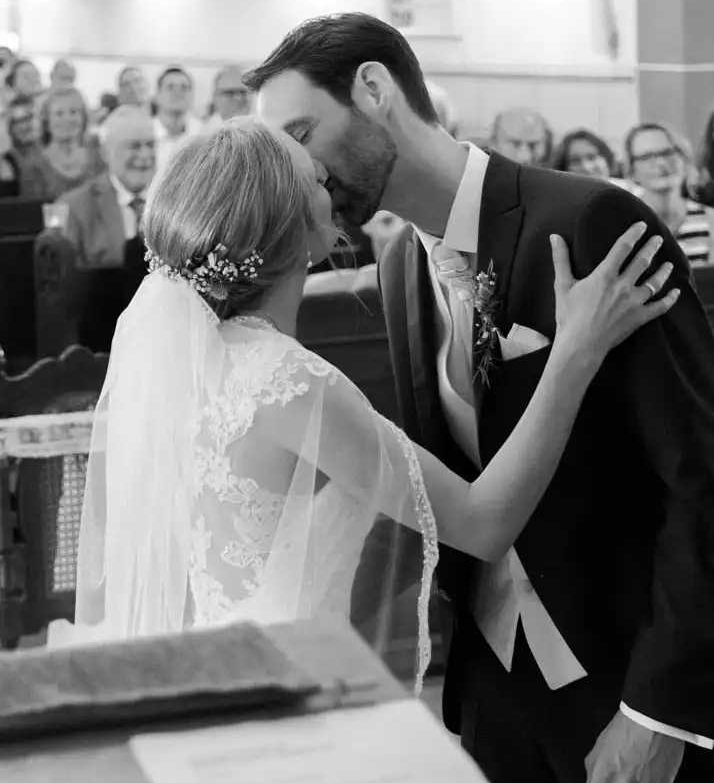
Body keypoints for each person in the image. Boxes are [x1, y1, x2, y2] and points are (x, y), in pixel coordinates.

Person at [245, 12, 714, 783]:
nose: (296, 170)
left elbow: (702, 478)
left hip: (626, 689)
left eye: (301, 132)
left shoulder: (592, 221)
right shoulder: (395, 267)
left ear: (375, 89)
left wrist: (660, 712)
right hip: (494, 705)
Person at [48, 119, 673, 700]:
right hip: (286, 679)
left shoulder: (200, 366)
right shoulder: (286, 380)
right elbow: (484, 524)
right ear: (287, 230)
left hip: (226, 664)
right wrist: (576, 352)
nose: (333, 182)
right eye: (316, 180)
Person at [59, 105, 156, 268]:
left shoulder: (176, 202)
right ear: (105, 152)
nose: (145, 155)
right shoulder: (75, 208)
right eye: (134, 146)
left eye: (150, 145)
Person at [624, 121, 713, 266]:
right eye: (646, 157)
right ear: (632, 171)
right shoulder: (621, 223)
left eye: (667, 153)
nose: (661, 163)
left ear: (684, 158)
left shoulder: (710, 220)